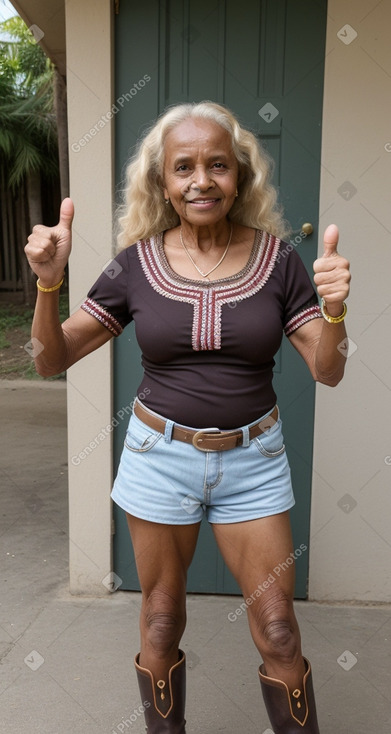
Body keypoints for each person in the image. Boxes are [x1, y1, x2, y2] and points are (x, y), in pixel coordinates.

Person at [25, 101, 350, 734]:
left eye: (218, 165)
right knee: (162, 617)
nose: (201, 180)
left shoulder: (279, 262)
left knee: (279, 627)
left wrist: (336, 313)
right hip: (159, 455)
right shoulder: (136, 265)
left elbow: (328, 371)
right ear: (163, 184)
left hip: (254, 461)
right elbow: (50, 359)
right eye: (183, 168)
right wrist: (47, 285)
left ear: (241, 177)